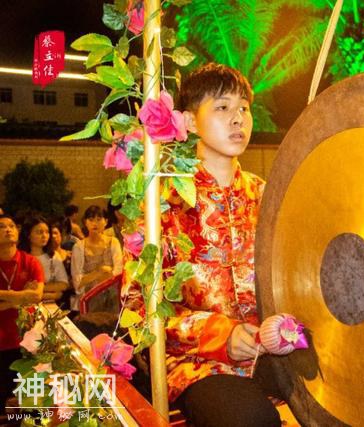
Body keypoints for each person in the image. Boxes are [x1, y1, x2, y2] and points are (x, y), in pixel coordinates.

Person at [124, 63, 281, 427]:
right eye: (223, 107)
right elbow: (138, 307)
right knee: (250, 420)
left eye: (244, 108)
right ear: (190, 122)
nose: (238, 118)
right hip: (198, 364)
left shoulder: (268, 195)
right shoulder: (161, 203)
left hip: (273, 351)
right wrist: (219, 335)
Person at [0, 214, 44, 413]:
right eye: (2, 227)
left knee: (29, 402)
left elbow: (36, 296)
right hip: (1, 343)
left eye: (11, 226)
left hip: (26, 341)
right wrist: (21, 297)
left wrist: (5, 299)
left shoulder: (30, 261)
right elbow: (28, 297)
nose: (8, 229)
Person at [70, 205, 123, 314]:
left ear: (106, 221)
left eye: (99, 219)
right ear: (85, 222)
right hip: (89, 299)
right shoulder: (79, 247)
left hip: (113, 298)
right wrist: (100, 271)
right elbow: (77, 282)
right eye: (91, 219)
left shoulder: (113, 242)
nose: (95, 223)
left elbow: (118, 272)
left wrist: (91, 278)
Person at [17, 216, 69, 304]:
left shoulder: (53, 255)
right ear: (28, 234)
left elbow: (64, 284)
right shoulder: (20, 257)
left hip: (48, 305)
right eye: (39, 232)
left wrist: (38, 289)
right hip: (21, 305)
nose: (44, 236)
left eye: (47, 232)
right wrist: (52, 294)